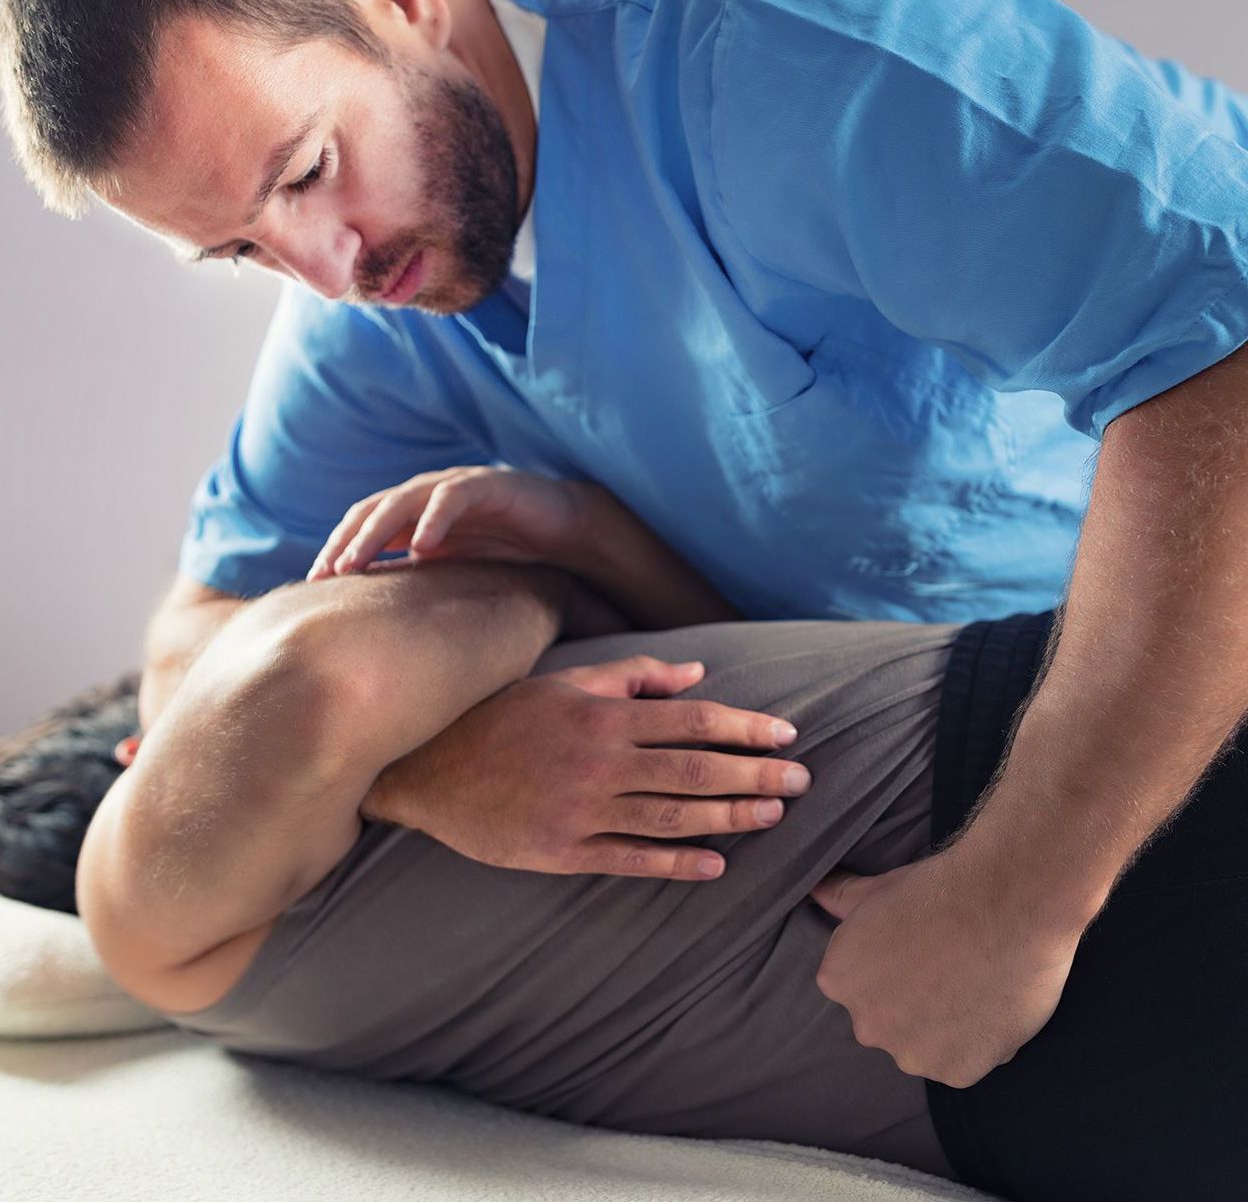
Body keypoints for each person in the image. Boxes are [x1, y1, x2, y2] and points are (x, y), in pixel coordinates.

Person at [7, 0, 1248, 1093]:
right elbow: (194, 648)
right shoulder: (374, 309)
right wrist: (429, 768)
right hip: (901, 747)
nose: (323, 271)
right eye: (241, 249)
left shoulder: (787, 46)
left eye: (310, 171)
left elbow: (1227, 363)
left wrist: (1025, 891)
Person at [59, 467, 1245, 1202]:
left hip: (1059, 802)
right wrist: (429, 743)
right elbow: (310, 680)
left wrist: (528, 607)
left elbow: (320, 675)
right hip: (1044, 1074)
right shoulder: (177, 929)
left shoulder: (194, 932)